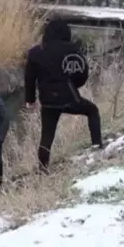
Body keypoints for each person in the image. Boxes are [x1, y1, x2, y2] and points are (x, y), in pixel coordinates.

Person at [24, 18, 103, 174]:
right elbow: (82, 71)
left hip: (47, 100)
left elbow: (29, 78)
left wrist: (30, 100)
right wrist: (74, 84)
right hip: (68, 97)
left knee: (46, 135)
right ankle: (97, 144)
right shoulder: (72, 48)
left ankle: (42, 169)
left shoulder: (35, 52)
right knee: (92, 110)